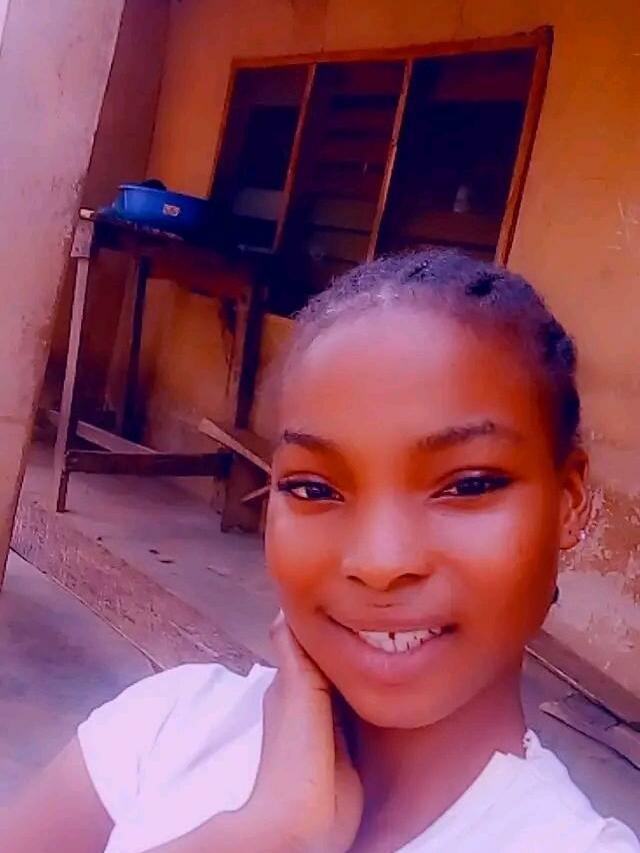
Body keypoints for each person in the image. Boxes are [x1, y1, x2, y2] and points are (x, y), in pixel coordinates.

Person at [1, 249, 638, 852]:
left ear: (569, 502)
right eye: (314, 488)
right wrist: (268, 835)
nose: (379, 562)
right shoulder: (169, 726)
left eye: (468, 485)